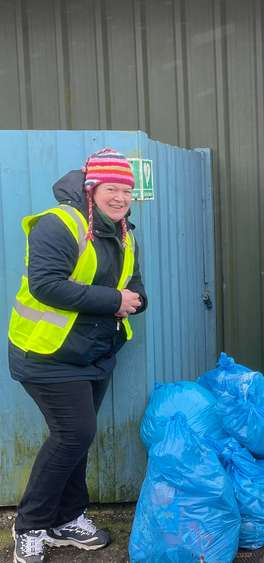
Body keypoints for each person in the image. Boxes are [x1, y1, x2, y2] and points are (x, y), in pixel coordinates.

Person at [9, 149, 148, 563]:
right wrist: (114, 301)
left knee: (78, 439)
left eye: (126, 189)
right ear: (92, 189)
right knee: (72, 435)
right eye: (112, 188)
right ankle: (30, 525)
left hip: (94, 353)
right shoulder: (60, 224)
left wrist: (134, 302)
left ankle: (66, 518)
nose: (121, 197)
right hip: (47, 354)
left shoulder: (124, 232)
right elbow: (45, 285)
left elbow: (134, 286)